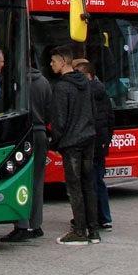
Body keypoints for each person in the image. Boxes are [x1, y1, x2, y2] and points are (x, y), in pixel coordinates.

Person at [48, 46, 98, 246]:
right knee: (88, 184)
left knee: (74, 186)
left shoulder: (61, 87)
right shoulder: (85, 82)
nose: (51, 65)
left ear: (63, 61)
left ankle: (79, 230)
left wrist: (55, 142)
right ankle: (93, 230)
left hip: (72, 142)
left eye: (53, 61)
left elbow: (59, 120)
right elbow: (92, 110)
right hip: (88, 138)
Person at [1, 59, 52, 242]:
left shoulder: (18, 82)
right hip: (40, 133)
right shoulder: (44, 81)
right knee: (38, 180)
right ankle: (36, 224)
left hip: (23, 134)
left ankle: (21, 225)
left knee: (20, 179)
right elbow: (49, 110)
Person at [74, 58, 114, 230]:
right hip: (101, 142)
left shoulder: (85, 93)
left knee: (88, 181)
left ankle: (91, 218)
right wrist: (107, 140)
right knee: (98, 179)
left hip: (89, 142)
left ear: (88, 76)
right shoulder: (103, 91)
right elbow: (110, 119)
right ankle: (104, 217)